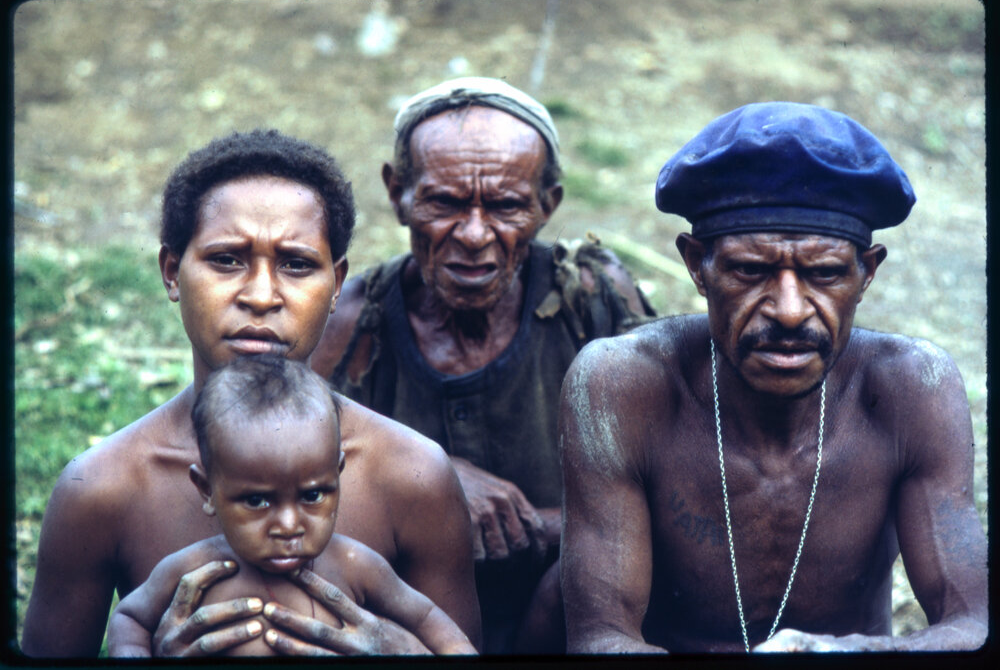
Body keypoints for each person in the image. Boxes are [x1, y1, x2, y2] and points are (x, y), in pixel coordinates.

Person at [21, 129, 480, 657]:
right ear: (172, 273)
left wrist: (398, 651)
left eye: (297, 264)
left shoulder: (412, 475)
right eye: (227, 259)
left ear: (336, 284)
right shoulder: (102, 488)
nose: (261, 296)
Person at [560, 102, 988, 653]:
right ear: (697, 265)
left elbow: (973, 625)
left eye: (825, 273)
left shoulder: (912, 390)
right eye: (749, 270)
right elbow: (600, 639)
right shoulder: (622, 387)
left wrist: (848, 654)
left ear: (867, 272)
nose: (789, 311)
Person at [310, 77, 655, 652]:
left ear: (549, 205)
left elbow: (687, 482)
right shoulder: (345, 323)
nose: (474, 234)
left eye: (506, 205)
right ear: (398, 194)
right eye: (444, 202)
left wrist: (538, 526)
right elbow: (270, 486)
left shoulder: (594, 301)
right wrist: (431, 481)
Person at [108, 355, 476, 657]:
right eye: (256, 501)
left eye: (313, 495)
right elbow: (129, 618)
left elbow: (436, 626)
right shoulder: (197, 568)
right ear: (206, 491)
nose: (288, 525)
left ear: (338, 475)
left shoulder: (354, 565)